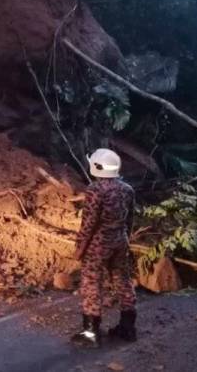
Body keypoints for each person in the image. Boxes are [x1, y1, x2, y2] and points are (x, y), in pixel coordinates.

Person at [71, 148, 137, 348]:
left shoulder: (95, 190)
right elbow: (130, 219)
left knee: (92, 283)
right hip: (120, 240)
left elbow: (89, 223)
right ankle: (127, 329)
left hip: (99, 244)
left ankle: (91, 333)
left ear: (97, 166)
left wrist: (80, 248)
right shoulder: (127, 189)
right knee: (123, 280)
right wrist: (124, 238)